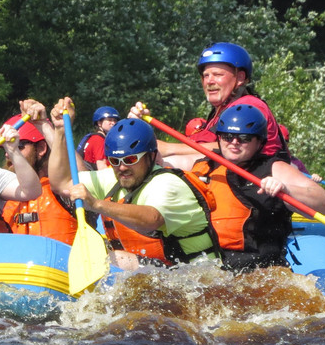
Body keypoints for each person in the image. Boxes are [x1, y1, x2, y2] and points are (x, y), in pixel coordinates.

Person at [33, 98, 219, 270]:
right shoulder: (116, 178)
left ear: (151, 157)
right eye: (114, 160)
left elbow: (151, 219)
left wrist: (97, 204)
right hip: (162, 271)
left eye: (130, 159)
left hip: (197, 277)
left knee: (114, 259)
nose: (122, 168)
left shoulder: (168, 183)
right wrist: (59, 132)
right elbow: (61, 183)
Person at [190, 104, 325, 272]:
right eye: (228, 136)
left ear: (259, 142)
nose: (234, 142)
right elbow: (156, 156)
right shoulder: (205, 163)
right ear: (219, 138)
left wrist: (286, 189)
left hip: (258, 271)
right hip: (211, 267)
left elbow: (323, 203)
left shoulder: (275, 168)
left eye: (244, 138)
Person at [128, 42, 288, 170]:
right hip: (230, 175)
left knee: (164, 164)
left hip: (258, 178)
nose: (209, 81)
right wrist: (141, 128)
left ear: (240, 78)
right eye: (206, 76)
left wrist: (168, 148)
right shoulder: (218, 114)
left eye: (218, 75)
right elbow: (203, 146)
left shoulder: (249, 106)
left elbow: (228, 147)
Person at [0, 114, 78, 246]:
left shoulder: (64, 188)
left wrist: (45, 127)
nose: (9, 153)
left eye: (18, 146)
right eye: (6, 147)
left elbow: (78, 170)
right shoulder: (3, 191)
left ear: (41, 149)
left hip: (60, 265)